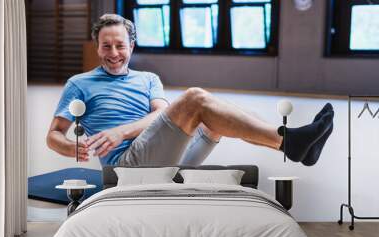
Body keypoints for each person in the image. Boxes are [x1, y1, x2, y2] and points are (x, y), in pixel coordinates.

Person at [47, 14, 334, 168]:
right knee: (195, 98)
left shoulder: (148, 79)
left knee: (225, 114)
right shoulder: (80, 83)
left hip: (165, 156)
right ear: (97, 47)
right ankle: (292, 143)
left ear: (131, 47)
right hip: (127, 166)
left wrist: (121, 130)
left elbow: (160, 117)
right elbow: (53, 135)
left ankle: (299, 149)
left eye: (120, 45)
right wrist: (72, 147)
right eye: (106, 45)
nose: (113, 52)